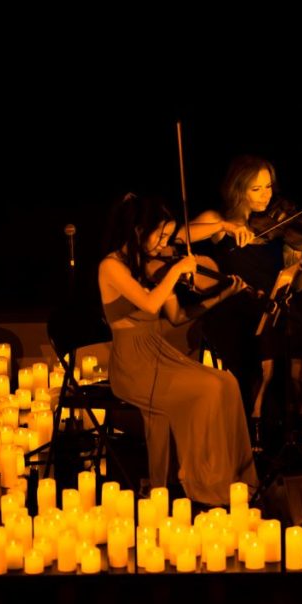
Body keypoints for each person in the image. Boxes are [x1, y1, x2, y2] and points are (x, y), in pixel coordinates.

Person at [98, 192, 258, 506]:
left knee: (226, 381)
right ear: (138, 231)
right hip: (133, 364)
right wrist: (175, 271)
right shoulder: (112, 267)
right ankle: (202, 480)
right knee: (209, 388)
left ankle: (234, 477)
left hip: (159, 352)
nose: (164, 245)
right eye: (160, 236)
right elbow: (150, 302)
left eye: (168, 237)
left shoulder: (150, 266)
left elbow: (177, 316)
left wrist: (222, 296)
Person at [179, 155, 302, 441]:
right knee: (267, 334)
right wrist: (225, 227)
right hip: (234, 306)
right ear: (239, 190)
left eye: (269, 187)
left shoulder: (281, 231)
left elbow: (294, 287)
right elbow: (180, 234)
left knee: (295, 326)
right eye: (256, 189)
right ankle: (256, 424)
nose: (266, 195)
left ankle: (300, 420)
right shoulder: (218, 220)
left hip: (271, 305)